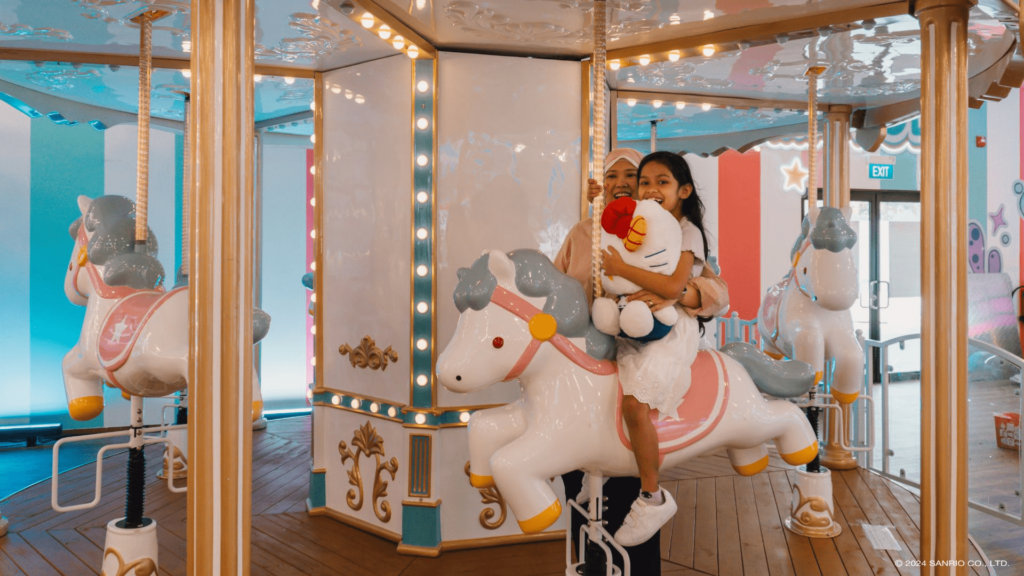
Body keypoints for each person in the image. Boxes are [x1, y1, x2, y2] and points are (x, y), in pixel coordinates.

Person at [553, 148, 729, 570]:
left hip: (633, 365)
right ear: (601, 185)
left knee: (625, 496)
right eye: (611, 176)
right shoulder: (582, 234)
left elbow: (717, 291)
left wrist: (683, 294)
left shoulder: (665, 231)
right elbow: (555, 291)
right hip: (584, 377)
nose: (621, 183)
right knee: (581, 495)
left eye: (631, 176)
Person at [600, 151, 711, 547]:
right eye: (645, 182)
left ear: (683, 190)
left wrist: (619, 268)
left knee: (635, 405)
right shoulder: (638, 225)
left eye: (661, 182)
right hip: (634, 323)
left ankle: (652, 495)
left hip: (672, 328)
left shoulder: (687, 231)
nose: (650, 189)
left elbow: (670, 286)